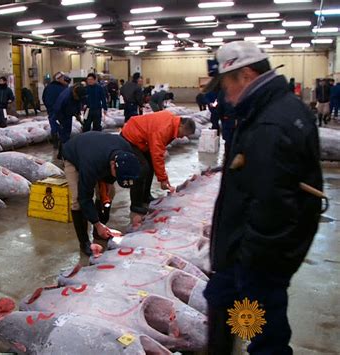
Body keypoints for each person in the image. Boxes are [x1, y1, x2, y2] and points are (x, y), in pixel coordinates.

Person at [202, 41, 323, 355]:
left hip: (255, 262)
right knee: (221, 307)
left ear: (245, 75)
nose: (224, 94)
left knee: (261, 336)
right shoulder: (270, 110)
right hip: (246, 257)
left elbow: (272, 207)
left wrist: (248, 268)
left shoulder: (270, 123)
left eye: (226, 84)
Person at [62, 131, 140, 255]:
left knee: (109, 193)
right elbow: (85, 197)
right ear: (113, 165)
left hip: (98, 150)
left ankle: (99, 231)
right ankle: (84, 242)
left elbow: (115, 175)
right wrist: (96, 223)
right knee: (77, 200)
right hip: (74, 154)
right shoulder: (91, 165)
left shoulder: (126, 152)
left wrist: (109, 182)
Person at [121, 111, 196, 215]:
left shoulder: (173, 124)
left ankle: (145, 196)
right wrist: (163, 180)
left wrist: (163, 178)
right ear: (181, 125)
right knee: (142, 169)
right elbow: (157, 155)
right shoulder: (165, 129)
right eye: (183, 134)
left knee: (150, 165)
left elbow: (157, 152)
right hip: (131, 137)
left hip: (143, 140)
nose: (182, 137)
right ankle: (136, 204)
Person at [54, 84, 87, 158]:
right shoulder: (65, 97)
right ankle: (63, 155)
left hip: (68, 115)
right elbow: (57, 109)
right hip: (62, 116)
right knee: (64, 136)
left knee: (67, 134)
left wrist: (78, 115)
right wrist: (60, 121)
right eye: (77, 97)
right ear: (74, 92)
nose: (78, 99)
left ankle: (61, 154)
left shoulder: (78, 95)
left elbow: (77, 104)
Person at [43, 72, 69, 148]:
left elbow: (44, 99)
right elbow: (68, 100)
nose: (64, 79)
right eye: (63, 78)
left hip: (52, 112)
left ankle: (55, 143)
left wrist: (49, 108)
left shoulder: (48, 87)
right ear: (59, 79)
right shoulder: (64, 88)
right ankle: (63, 143)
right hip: (62, 112)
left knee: (54, 127)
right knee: (63, 127)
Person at [217, 90, 237, 157]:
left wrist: (222, 118)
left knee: (228, 141)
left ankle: (228, 157)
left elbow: (219, 108)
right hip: (233, 119)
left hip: (228, 119)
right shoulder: (242, 88)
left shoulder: (223, 92)